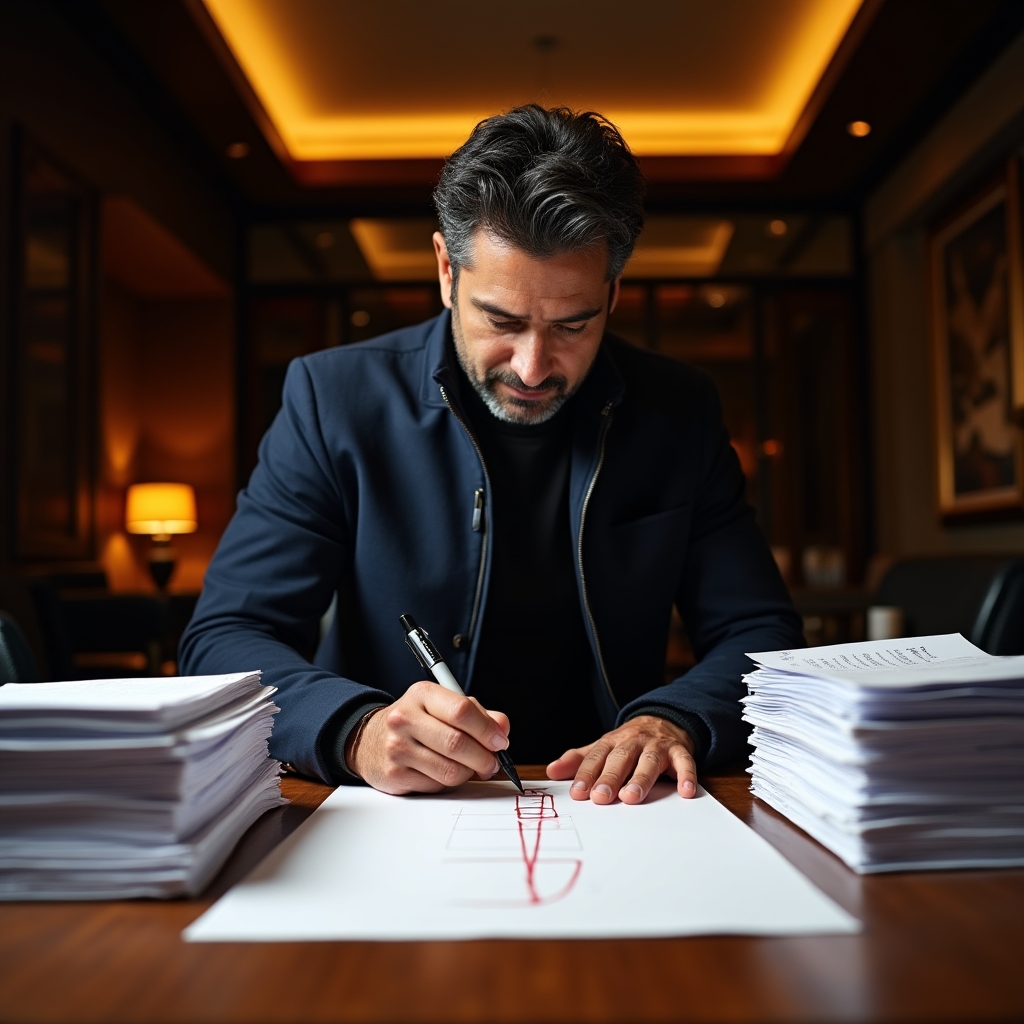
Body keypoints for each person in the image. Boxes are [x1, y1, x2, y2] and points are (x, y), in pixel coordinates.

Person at [179, 105, 803, 806]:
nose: (534, 368)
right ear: (447, 270)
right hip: (391, 811)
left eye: (573, 324)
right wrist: (355, 729)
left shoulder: (679, 411)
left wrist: (677, 716)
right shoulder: (334, 399)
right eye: (501, 321)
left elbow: (759, 631)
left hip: (620, 810)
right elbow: (227, 636)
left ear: (614, 293)